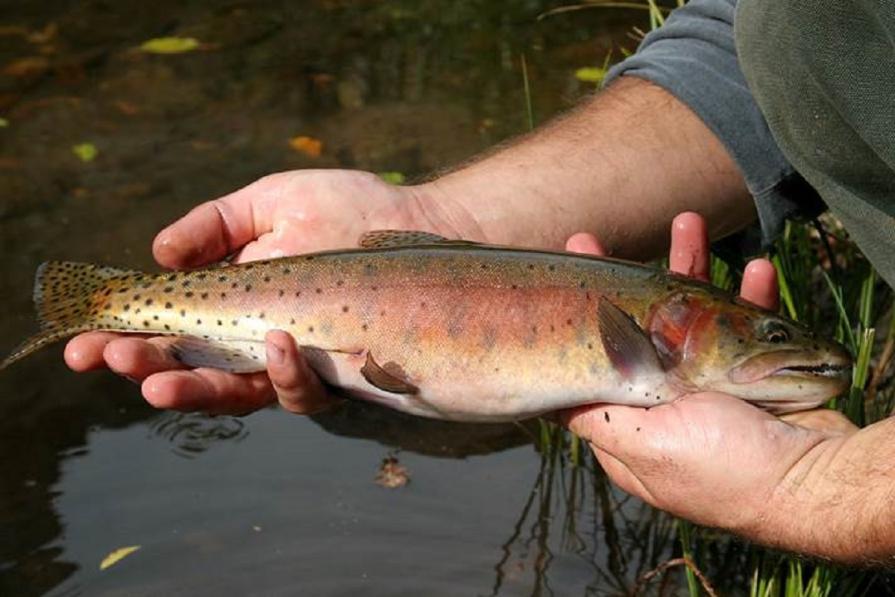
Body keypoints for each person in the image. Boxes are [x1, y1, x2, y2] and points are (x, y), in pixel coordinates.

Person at [64, 0, 894, 564]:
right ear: (676, 322)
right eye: (773, 337)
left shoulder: (652, 334)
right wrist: (442, 209)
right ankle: (117, 299)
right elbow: (768, 43)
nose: (789, 347)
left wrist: (816, 491)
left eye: (772, 335)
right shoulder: (653, 326)